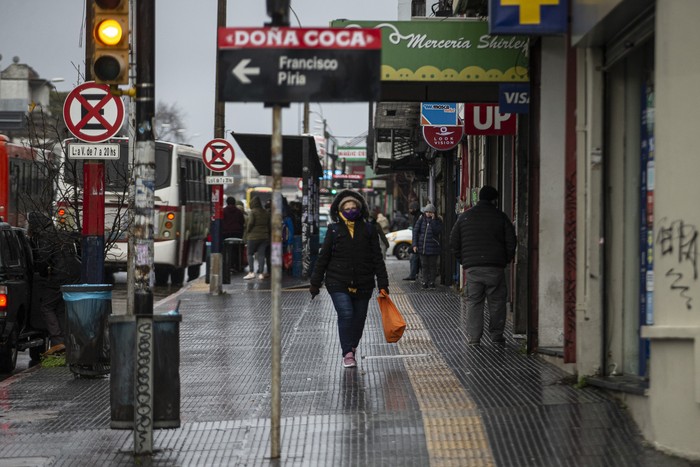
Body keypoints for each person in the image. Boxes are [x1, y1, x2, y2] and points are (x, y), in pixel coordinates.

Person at [309, 189, 389, 368]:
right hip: (337, 281)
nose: (351, 210)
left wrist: (383, 283)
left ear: (360, 209)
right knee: (346, 313)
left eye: (354, 207)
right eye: (347, 208)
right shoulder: (334, 229)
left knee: (359, 318)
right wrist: (315, 282)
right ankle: (347, 353)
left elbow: (377, 258)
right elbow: (324, 257)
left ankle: (352, 345)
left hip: (364, 282)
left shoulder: (369, 229)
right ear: (339, 210)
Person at [450, 185, 517, 347]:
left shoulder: (465, 217)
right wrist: (505, 260)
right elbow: (511, 241)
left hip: (473, 268)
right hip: (495, 267)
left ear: (479, 198)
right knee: (497, 302)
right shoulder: (500, 217)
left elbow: (453, 242)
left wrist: (464, 261)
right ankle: (496, 336)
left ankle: (474, 338)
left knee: (474, 301)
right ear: (494, 200)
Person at [28, 212, 81, 354]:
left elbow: (43, 261)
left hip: (60, 275)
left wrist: (43, 273)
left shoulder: (46, 237)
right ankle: (65, 343)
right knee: (60, 308)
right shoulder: (59, 233)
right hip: (73, 275)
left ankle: (57, 342)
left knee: (47, 307)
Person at [412, 203, 443, 288]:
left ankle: (432, 282)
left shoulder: (438, 220)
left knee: (433, 266)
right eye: (427, 212)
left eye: (430, 212)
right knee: (424, 265)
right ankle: (424, 282)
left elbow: (437, 231)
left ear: (433, 212)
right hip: (423, 247)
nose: (428, 213)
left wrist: (433, 221)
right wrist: (414, 244)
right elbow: (415, 231)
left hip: (433, 247)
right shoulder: (421, 219)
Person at [243, 196, 271, 280]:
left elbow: (250, 223)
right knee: (261, 255)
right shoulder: (266, 212)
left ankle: (251, 272)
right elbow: (269, 225)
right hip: (264, 237)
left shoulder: (253, 212)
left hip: (253, 237)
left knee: (250, 253)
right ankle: (261, 273)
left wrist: (248, 230)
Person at [222, 196, 246, 272]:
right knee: (236, 250)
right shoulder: (239, 211)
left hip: (226, 233)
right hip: (237, 233)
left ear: (227, 202)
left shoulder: (223, 211)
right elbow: (242, 222)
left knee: (227, 249)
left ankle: (228, 265)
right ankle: (236, 266)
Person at [403, 201, 422, 281]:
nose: (410, 211)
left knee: (414, 258)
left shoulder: (419, 217)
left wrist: (415, 244)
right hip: (417, 242)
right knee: (415, 258)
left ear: (415, 209)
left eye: (411, 209)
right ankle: (414, 274)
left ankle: (413, 275)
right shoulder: (417, 216)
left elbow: (417, 231)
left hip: (418, 242)